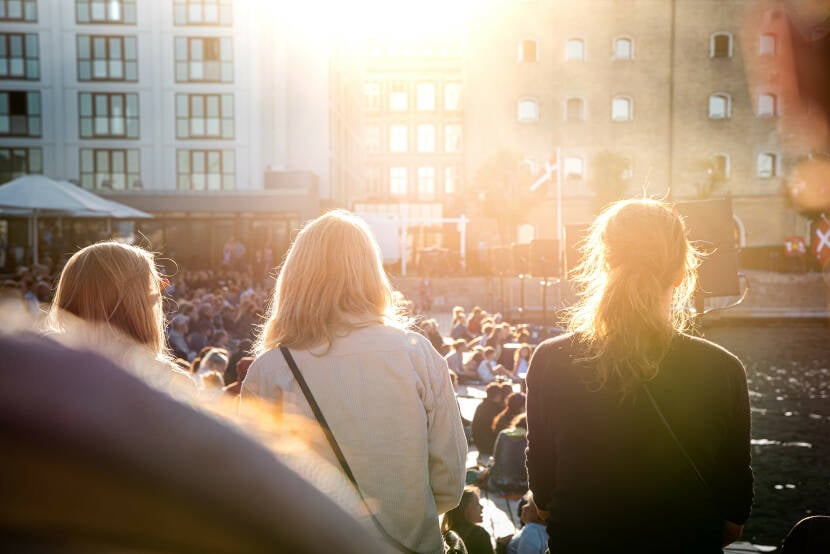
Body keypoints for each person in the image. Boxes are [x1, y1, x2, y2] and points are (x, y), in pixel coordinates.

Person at [526, 199, 754, 553]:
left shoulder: (551, 360)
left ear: (603, 263)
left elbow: (543, 498)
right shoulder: (724, 370)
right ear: (681, 274)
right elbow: (733, 518)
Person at [242, 210, 466, 554]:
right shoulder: (416, 354)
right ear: (371, 272)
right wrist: (407, 517)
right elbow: (449, 476)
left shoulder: (269, 371)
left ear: (294, 277)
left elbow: (256, 486)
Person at [440, 486, 495, 554]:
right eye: (477, 504)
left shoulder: (444, 536)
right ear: (465, 510)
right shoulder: (480, 534)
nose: (482, 507)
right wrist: (501, 546)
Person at [471, 382, 508, 459]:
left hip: (479, 444)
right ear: (498, 395)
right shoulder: (497, 409)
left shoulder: (481, 406)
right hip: (490, 446)